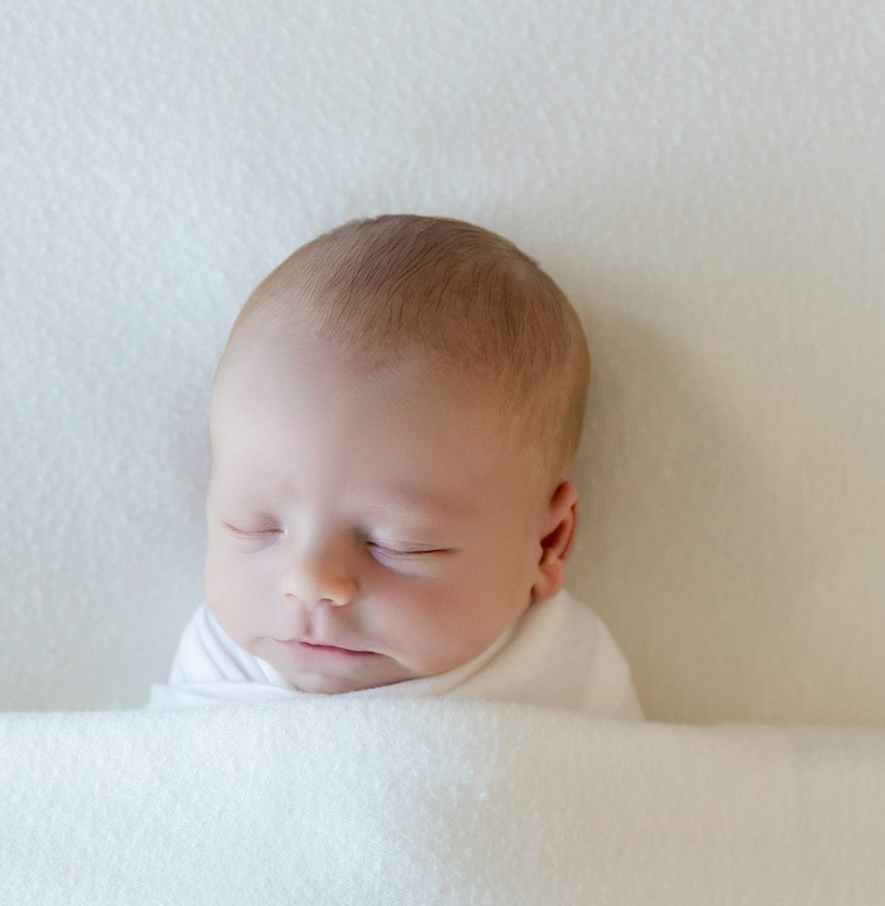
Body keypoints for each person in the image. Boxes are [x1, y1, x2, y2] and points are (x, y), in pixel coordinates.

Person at [148, 213, 645, 721]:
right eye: (256, 526)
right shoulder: (220, 661)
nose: (310, 579)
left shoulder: (564, 670)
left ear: (547, 544)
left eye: (398, 544)